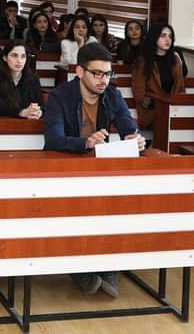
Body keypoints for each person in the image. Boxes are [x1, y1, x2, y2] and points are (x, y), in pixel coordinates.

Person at [43, 43, 145, 298]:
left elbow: (128, 127)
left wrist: (135, 139)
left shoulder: (113, 95)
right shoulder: (59, 96)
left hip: (98, 172)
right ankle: (81, 270)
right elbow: (53, 139)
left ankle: (107, 266)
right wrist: (85, 142)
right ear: (80, 71)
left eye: (108, 74)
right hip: (63, 170)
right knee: (71, 214)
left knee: (114, 208)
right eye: (97, 73)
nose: (103, 80)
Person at [132, 23, 186, 129]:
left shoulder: (175, 60)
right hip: (152, 111)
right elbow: (139, 92)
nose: (167, 40)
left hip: (173, 108)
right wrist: (159, 105)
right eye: (163, 36)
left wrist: (177, 106)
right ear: (154, 37)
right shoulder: (143, 61)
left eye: (170, 36)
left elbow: (180, 87)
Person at [0, 41, 43, 119]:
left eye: (23, 56)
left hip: (28, 123)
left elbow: (42, 105)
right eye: (14, 56)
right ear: (5, 58)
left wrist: (38, 112)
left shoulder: (33, 79)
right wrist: (22, 112)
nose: (19, 60)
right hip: (2, 123)